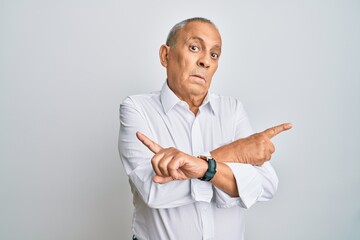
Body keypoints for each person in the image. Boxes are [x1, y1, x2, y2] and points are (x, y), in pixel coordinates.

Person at [118, 17, 292, 240]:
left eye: (214, 54)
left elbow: (266, 185)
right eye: (194, 48)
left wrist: (198, 167)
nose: (205, 62)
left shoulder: (232, 109)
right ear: (165, 55)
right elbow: (154, 192)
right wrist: (232, 159)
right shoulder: (136, 108)